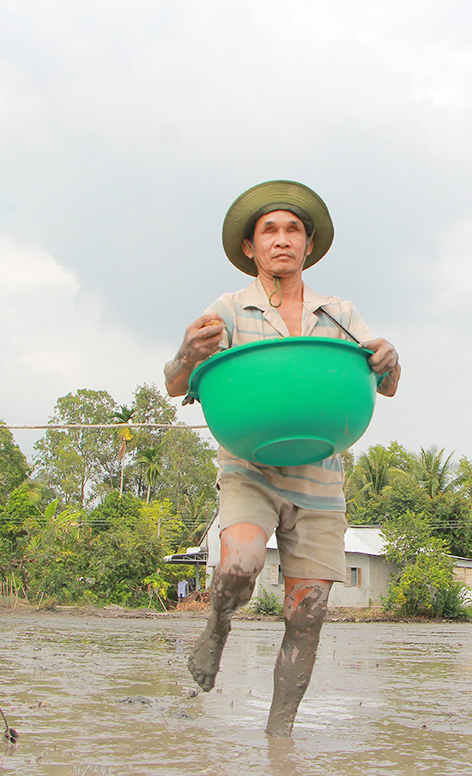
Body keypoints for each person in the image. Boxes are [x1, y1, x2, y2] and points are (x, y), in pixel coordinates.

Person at [164, 180, 400, 737]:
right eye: (269, 230)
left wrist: (391, 359)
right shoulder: (228, 309)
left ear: (308, 245)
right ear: (251, 247)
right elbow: (177, 384)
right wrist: (185, 352)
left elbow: (385, 384)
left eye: (293, 229)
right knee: (241, 563)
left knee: (308, 616)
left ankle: (279, 742)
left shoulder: (339, 313)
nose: (282, 239)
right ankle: (217, 626)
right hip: (250, 466)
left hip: (320, 480)